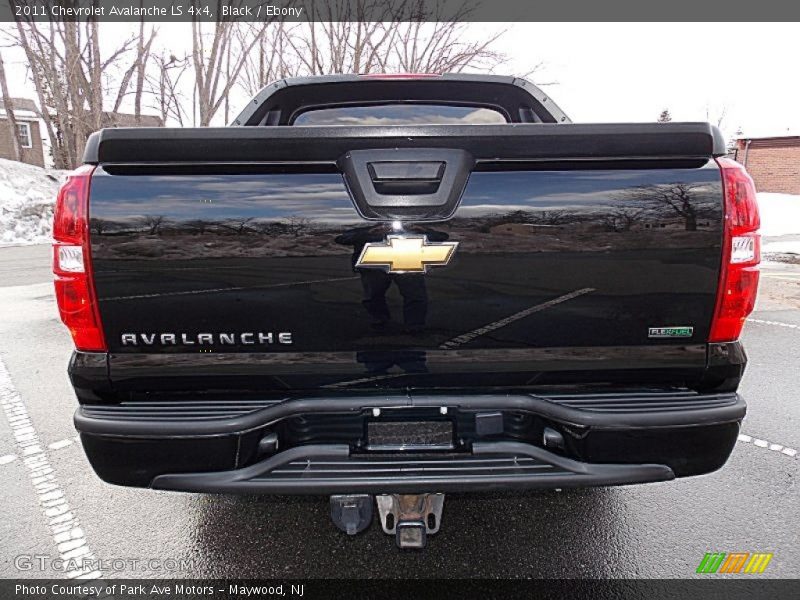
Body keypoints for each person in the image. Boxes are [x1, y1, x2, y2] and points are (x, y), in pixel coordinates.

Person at [335, 223, 449, 333]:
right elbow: (342, 239)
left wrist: (422, 230)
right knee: (373, 296)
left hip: (406, 263)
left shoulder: (412, 225)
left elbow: (441, 237)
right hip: (374, 265)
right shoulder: (364, 226)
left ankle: (415, 325)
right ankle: (380, 320)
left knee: (415, 295)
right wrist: (369, 232)